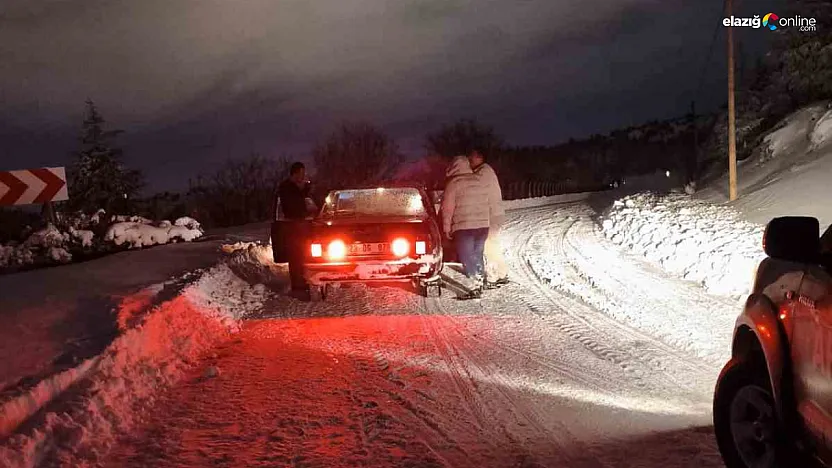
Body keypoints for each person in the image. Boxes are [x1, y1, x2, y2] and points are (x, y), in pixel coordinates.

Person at [441, 155, 491, 300]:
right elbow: (487, 203)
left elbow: (447, 208)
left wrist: (446, 227)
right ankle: (481, 279)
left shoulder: (454, 183)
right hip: (483, 225)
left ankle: (475, 286)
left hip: (464, 227)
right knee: (477, 253)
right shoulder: (479, 180)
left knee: (467, 256)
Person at [468, 149, 509, 288]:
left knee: (489, 246)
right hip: (495, 213)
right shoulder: (485, 171)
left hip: (491, 215)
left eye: (472, 157)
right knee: (493, 245)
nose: (470, 160)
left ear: (480, 157)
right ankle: (502, 273)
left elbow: (472, 187)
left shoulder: (483, 172)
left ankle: (492, 277)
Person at [277, 162, 313, 300]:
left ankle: (302, 283)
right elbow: (293, 206)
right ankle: (298, 287)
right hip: (292, 225)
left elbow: (301, 200)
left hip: (300, 224)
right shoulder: (286, 187)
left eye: (304, 173)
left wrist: (305, 188)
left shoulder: (294, 187)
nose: (303, 176)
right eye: (301, 173)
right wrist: (302, 189)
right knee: (295, 256)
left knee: (302, 254)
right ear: (295, 173)